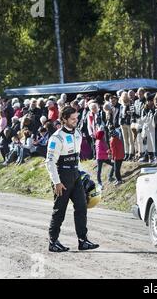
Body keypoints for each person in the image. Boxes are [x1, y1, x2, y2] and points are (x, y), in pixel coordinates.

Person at [45, 106, 99, 252]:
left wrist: (83, 174)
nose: (76, 121)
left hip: (75, 175)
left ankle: (83, 240)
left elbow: (76, 158)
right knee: (59, 211)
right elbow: (50, 162)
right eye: (72, 119)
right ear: (63, 119)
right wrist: (56, 182)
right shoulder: (56, 138)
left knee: (82, 207)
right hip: (61, 177)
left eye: (77, 118)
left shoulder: (78, 134)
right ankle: (53, 241)